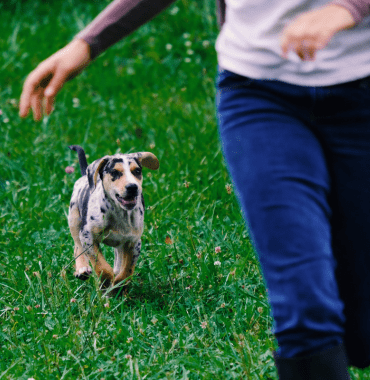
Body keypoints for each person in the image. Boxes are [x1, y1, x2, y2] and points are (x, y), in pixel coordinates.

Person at [19, 0, 370, 378]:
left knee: (361, 318)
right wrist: (87, 42)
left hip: (360, 83)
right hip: (259, 91)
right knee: (305, 303)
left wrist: (348, 7)